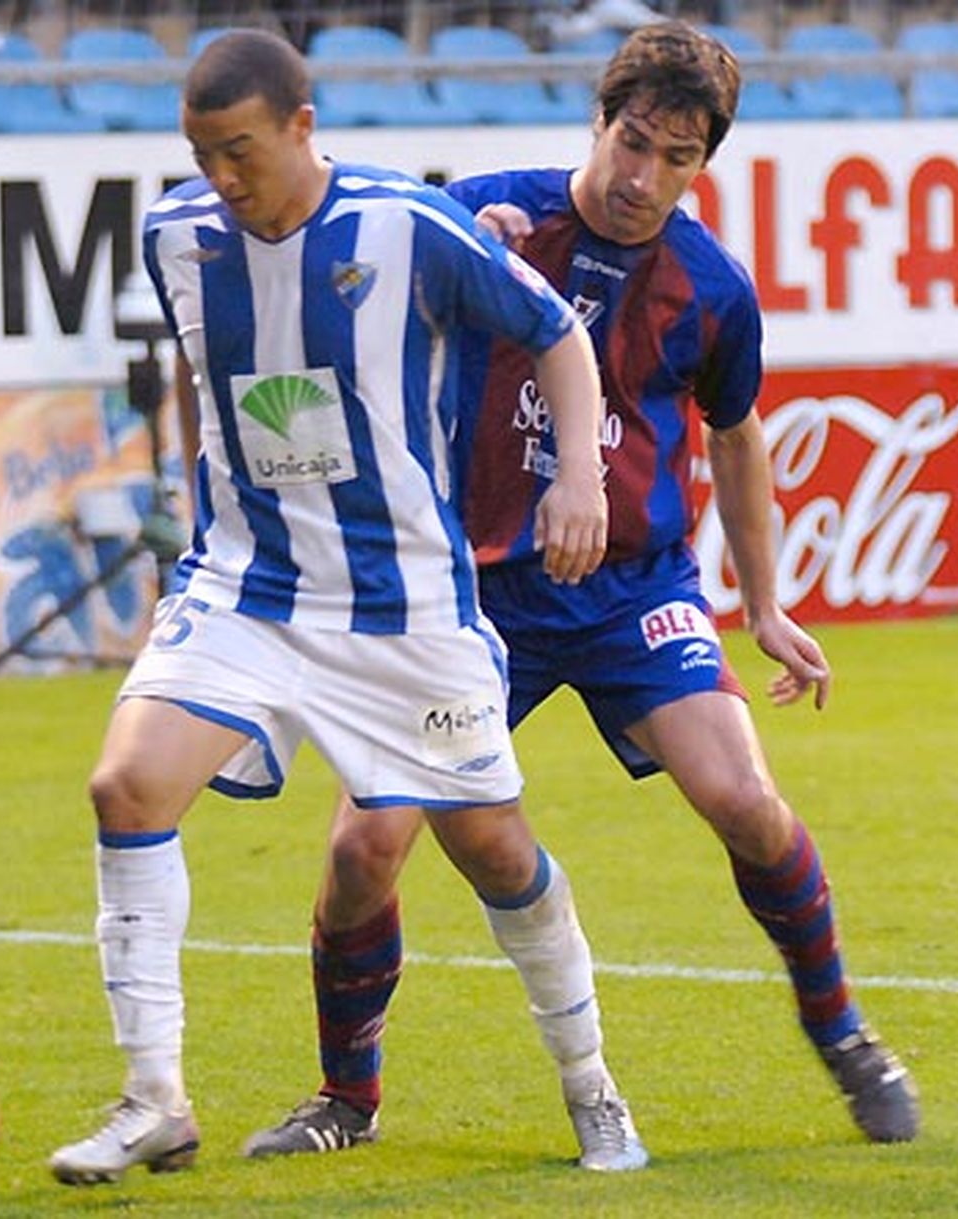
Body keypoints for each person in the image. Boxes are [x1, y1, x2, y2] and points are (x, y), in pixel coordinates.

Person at [243, 21, 921, 1160]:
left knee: (745, 799)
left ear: (704, 166)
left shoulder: (710, 288)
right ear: (597, 123)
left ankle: (844, 1032)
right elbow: (345, 307)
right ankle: (345, 1099)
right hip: (463, 599)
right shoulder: (483, 217)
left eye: (675, 159)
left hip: (630, 595)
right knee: (363, 850)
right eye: (632, 142)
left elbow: (739, 437)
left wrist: (761, 606)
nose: (642, 178)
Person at [47, 27, 650, 1186]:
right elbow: (200, 363)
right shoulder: (175, 234)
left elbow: (554, 332)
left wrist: (576, 474)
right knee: (126, 784)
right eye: (201, 153)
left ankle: (593, 1088)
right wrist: (197, 487)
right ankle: (153, 1100)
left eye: (240, 150)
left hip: (402, 605)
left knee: (492, 850)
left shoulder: (407, 227)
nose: (221, 177)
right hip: (249, 583)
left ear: (302, 127)